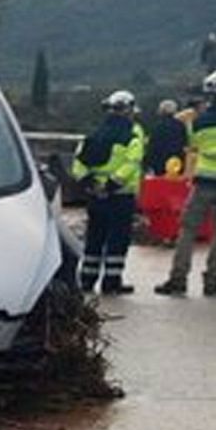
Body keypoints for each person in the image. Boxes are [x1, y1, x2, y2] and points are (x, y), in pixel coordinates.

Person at [156, 71, 216, 297]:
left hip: (203, 182)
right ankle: (212, 282)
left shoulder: (198, 123)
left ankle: (178, 279)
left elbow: (194, 147)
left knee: (188, 230)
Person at [72, 90, 145, 295]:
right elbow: (131, 164)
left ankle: (86, 279)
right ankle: (111, 282)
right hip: (120, 196)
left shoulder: (93, 135)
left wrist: (92, 183)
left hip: (95, 197)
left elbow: (78, 164)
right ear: (130, 111)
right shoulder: (132, 136)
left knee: (94, 238)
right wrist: (111, 185)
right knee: (117, 240)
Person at [145, 100, 189, 177]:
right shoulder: (181, 126)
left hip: (159, 163)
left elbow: (152, 146)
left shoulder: (157, 126)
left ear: (161, 111)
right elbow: (185, 143)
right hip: (177, 163)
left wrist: (148, 162)